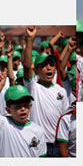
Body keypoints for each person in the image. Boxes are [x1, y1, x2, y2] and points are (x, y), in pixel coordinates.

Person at [23, 26, 69, 157]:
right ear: (36, 71)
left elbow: (65, 120)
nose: (49, 68)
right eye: (43, 65)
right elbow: (26, 66)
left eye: (51, 64)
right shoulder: (33, 87)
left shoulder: (61, 91)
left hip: (59, 146)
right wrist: (30, 39)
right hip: (38, 144)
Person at [0, 74, 47, 157]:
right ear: (8, 110)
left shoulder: (39, 131)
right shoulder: (4, 124)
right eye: (18, 106)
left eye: (26, 105)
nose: (23, 108)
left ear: (30, 106)